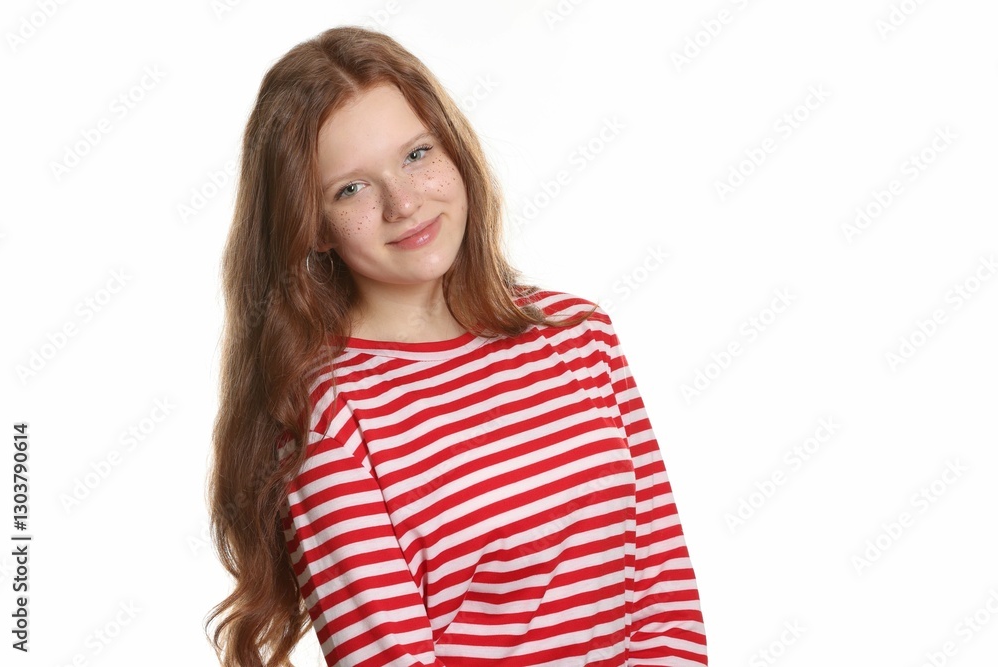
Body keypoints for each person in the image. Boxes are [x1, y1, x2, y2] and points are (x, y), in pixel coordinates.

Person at [206, 25, 707, 667]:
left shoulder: (580, 334)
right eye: (351, 188)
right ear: (313, 227)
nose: (403, 203)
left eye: (417, 154)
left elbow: (663, 597)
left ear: (454, 149)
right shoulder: (327, 414)